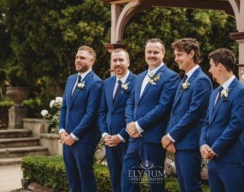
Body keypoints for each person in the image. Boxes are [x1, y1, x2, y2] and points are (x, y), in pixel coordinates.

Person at [122, 38, 180, 192]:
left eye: (156, 52)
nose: (152, 55)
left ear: (163, 53)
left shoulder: (171, 76)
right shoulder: (139, 77)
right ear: (145, 53)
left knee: (155, 184)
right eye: (149, 52)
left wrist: (139, 126)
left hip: (153, 139)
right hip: (134, 139)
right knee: (127, 180)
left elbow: (163, 107)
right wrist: (130, 125)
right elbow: (130, 103)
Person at [161, 38, 212, 192]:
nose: (176, 58)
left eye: (179, 54)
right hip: (180, 143)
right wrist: (169, 136)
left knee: (191, 187)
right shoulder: (184, 79)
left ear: (191, 54)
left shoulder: (202, 80)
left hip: (190, 143)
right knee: (184, 187)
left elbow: (194, 113)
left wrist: (171, 136)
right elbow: (175, 111)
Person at [199, 48, 244, 192]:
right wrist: (203, 144)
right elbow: (206, 122)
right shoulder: (214, 93)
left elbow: (236, 125)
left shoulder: (242, 91)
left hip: (231, 160)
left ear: (220, 67)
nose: (209, 70)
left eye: (211, 65)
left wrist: (215, 148)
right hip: (213, 160)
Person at [59, 45, 103, 192]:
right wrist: (62, 130)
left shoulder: (96, 83)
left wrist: (74, 135)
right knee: (72, 177)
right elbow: (65, 106)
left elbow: (91, 114)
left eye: (82, 58)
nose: (78, 60)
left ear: (92, 60)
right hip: (67, 138)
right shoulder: (71, 79)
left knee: (85, 176)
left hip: (85, 139)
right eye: (77, 57)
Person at [99, 48, 136, 192]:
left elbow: (135, 113)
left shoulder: (137, 82)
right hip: (109, 141)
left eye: (121, 60)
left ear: (128, 62)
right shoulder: (107, 83)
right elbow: (102, 111)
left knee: (130, 182)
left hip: (128, 140)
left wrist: (121, 136)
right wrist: (104, 135)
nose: (117, 63)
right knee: (115, 179)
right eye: (114, 60)